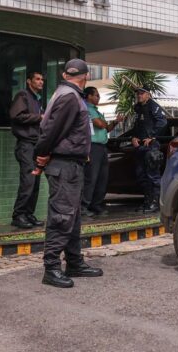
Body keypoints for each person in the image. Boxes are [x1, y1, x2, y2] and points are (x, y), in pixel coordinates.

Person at [34, 59, 102, 288]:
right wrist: (41, 154)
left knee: (72, 217)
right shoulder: (70, 97)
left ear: (65, 75)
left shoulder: (64, 92)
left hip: (71, 164)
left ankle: (74, 262)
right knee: (62, 216)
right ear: (86, 76)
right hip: (64, 165)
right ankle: (51, 268)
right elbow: (51, 129)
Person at [9, 71, 45, 229]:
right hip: (25, 145)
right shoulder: (23, 95)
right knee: (28, 180)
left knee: (35, 182)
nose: (41, 82)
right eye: (37, 79)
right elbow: (16, 115)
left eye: (42, 79)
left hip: (36, 145)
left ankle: (29, 214)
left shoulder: (37, 100)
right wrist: (40, 117)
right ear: (29, 81)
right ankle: (18, 215)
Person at [81, 87, 123, 218]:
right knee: (91, 178)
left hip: (102, 147)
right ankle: (84, 206)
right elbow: (99, 124)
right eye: (96, 95)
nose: (98, 98)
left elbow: (107, 128)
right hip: (92, 147)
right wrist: (105, 123)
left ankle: (96, 204)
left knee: (102, 178)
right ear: (88, 96)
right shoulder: (87, 109)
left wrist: (115, 121)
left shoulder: (96, 111)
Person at [132, 87, 168, 213]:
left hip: (151, 146)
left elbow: (162, 122)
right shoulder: (138, 108)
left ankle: (155, 203)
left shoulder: (153, 106)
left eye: (142, 93)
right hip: (140, 146)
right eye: (138, 93)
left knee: (153, 176)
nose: (139, 95)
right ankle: (147, 202)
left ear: (148, 94)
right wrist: (134, 137)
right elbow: (137, 126)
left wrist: (152, 136)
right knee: (142, 176)